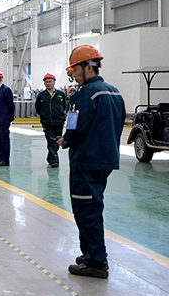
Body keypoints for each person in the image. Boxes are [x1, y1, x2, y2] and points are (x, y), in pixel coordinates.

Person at [57, 45, 125, 279]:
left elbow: (75, 127)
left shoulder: (85, 94)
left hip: (86, 161)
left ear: (88, 67)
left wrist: (65, 140)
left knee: (86, 210)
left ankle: (96, 261)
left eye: (75, 70)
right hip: (105, 160)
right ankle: (89, 254)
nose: (74, 75)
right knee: (93, 206)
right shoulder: (114, 92)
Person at [35, 73, 67, 168]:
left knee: (57, 141)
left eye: (50, 81)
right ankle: (54, 161)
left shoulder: (60, 94)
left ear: (54, 82)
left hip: (59, 122)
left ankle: (50, 157)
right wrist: (44, 116)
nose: (48, 83)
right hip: (47, 122)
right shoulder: (41, 96)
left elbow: (65, 106)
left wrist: (61, 116)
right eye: (46, 82)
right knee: (51, 140)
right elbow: (38, 108)